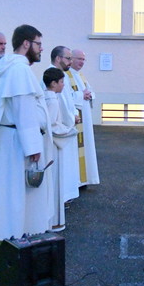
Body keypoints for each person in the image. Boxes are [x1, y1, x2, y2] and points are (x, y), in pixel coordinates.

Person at [0, 24, 54, 240]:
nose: (41, 49)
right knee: (17, 191)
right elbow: (23, 110)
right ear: (26, 43)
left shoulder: (11, 67)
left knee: (11, 190)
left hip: (11, 138)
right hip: (16, 141)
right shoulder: (18, 70)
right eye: (38, 44)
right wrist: (33, 146)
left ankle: (15, 229)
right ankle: (16, 232)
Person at [43, 67, 78, 231]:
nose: (64, 85)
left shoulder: (47, 97)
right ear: (53, 83)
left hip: (51, 144)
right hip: (52, 147)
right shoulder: (52, 101)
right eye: (62, 82)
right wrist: (67, 130)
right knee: (54, 181)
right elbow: (49, 126)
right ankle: (53, 221)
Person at [49, 46, 80, 200]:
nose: (71, 61)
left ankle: (65, 195)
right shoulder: (52, 76)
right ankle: (60, 197)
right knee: (60, 166)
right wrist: (71, 118)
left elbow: (69, 100)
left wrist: (74, 113)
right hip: (60, 128)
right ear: (58, 58)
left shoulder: (63, 76)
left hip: (67, 124)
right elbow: (60, 103)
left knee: (67, 165)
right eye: (68, 58)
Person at [69, 48, 100, 185]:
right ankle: (76, 180)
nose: (82, 62)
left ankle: (85, 179)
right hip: (75, 118)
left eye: (83, 59)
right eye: (79, 59)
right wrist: (82, 95)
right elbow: (66, 97)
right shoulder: (66, 75)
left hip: (85, 119)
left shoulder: (80, 76)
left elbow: (91, 91)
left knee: (85, 147)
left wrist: (88, 95)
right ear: (71, 58)